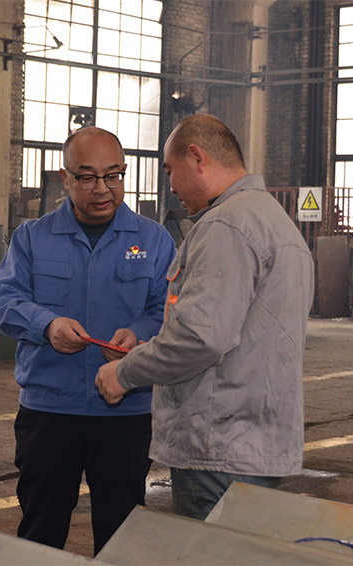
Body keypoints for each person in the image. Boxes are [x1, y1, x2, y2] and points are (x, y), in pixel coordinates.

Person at [95, 114, 314, 520]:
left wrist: (125, 372)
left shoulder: (226, 226)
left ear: (197, 158)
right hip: (254, 442)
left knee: (210, 548)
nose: (171, 186)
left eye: (169, 171)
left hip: (218, 447)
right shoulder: (274, 222)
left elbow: (201, 337)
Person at [0, 126, 176, 554]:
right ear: (66, 178)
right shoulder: (32, 238)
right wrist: (47, 325)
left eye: (113, 175)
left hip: (126, 412)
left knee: (123, 534)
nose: (102, 188)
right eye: (87, 177)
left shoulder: (153, 240)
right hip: (50, 412)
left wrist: (140, 334)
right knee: (41, 531)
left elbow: (169, 309)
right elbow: (1, 298)